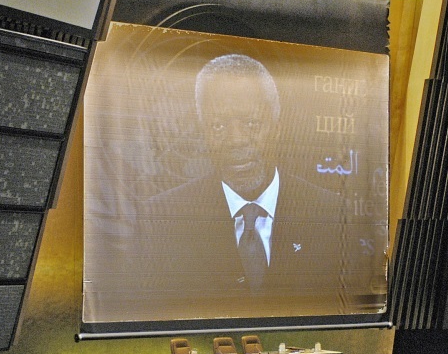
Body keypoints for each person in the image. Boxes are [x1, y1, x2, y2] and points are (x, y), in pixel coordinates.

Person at [138, 53, 347, 310]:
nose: (236, 140)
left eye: (251, 123)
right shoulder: (160, 221)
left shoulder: (331, 215)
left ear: (277, 128)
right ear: (203, 133)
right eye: (218, 126)